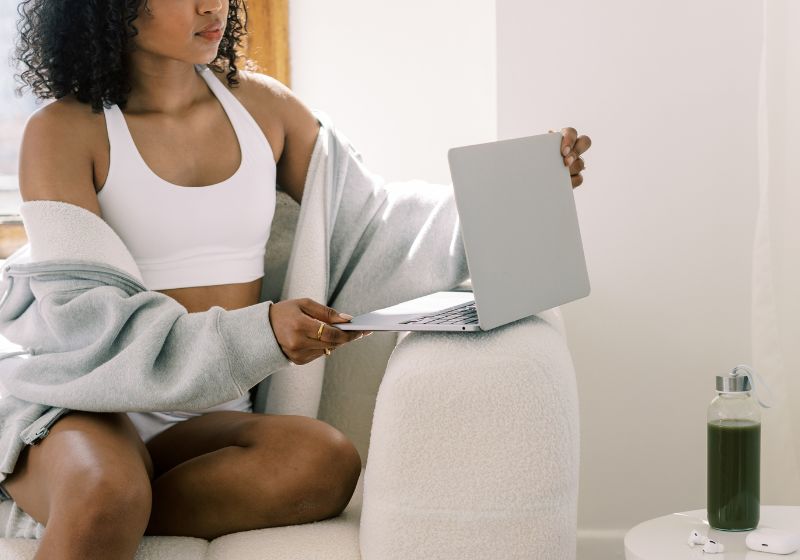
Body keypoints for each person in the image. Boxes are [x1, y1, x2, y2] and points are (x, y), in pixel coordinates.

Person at [3, 0, 592, 558]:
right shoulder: (62, 131)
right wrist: (262, 333)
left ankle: (96, 512)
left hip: (205, 413)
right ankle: (95, 501)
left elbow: (372, 223)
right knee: (108, 489)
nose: (214, 5)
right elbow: (86, 321)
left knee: (322, 462)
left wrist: (517, 192)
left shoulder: (263, 108)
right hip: (86, 399)